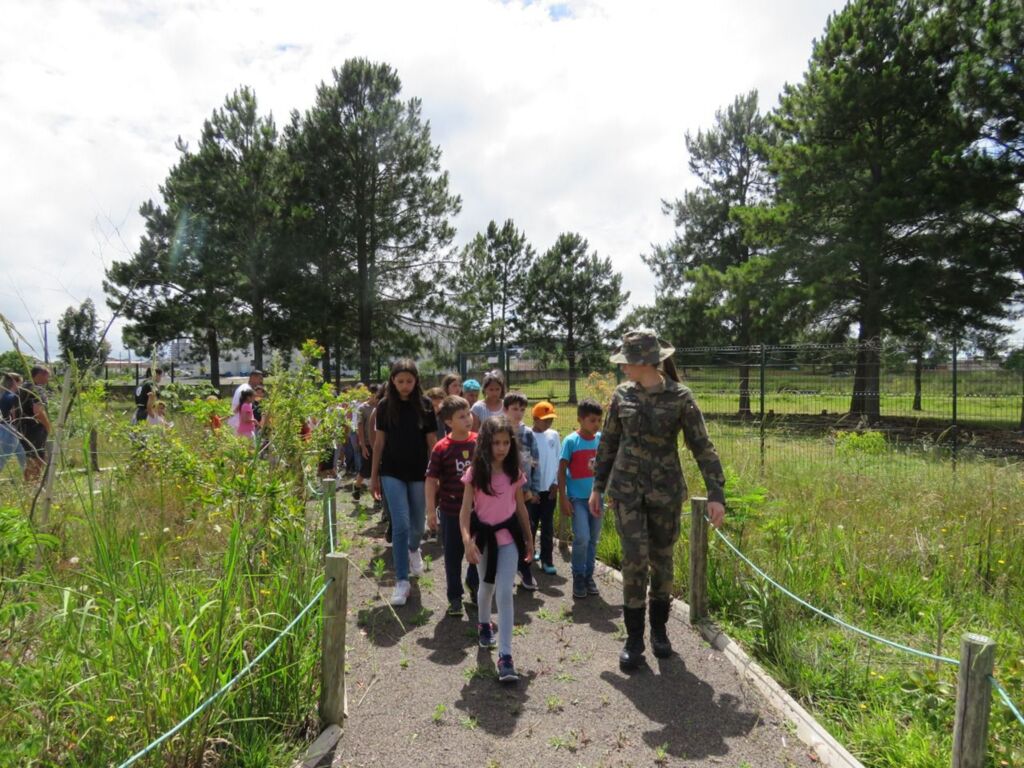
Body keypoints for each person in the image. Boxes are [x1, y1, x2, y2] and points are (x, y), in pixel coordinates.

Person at [592, 329, 726, 672]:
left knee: (662, 562)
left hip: (665, 493)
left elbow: (702, 446)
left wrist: (716, 494)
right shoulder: (621, 396)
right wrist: (597, 486)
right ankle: (634, 639)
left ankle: (660, 631)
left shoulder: (680, 397)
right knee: (634, 560)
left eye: (627, 361)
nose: (623, 368)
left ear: (644, 361)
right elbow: (607, 443)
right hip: (626, 492)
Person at [459, 415, 534, 682]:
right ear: (485, 443)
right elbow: (465, 512)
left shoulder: (514, 473)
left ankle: (505, 656)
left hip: (508, 540)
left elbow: (521, 508)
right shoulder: (476, 474)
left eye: (505, 443)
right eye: (496, 443)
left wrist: (529, 538)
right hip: (483, 540)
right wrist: (467, 541)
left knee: (504, 592)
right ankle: (483, 623)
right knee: (486, 586)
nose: (501, 448)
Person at [370, 359, 438, 606]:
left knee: (418, 524)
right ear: (392, 381)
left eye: (409, 381)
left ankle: (413, 548)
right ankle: (401, 580)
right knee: (400, 523)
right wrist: (374, 476)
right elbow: (379, 443)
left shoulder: (426, 405)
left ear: (416, 381)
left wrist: (436, 473)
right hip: (391, 471)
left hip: (420, 471)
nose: (405, 385)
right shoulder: (385, 406)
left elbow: (432, 442)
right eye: (400, 381)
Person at [425, 395, 478, 616]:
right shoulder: (441, 447)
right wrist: (430, 511)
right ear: (448, 422)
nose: (468, 419)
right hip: (450, 511)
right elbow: (430, 479)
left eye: (469, 414)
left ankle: (474, 585)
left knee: (478, 552)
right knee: (453, 556)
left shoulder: (480, 442)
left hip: (479, 511)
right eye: (461, 416)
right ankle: (454, 597)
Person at [558, 399, 604, 601]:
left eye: (599, 420)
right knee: (582, 537)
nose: (597, 424)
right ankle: (578, 575)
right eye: (592, 420)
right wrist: (563, 498)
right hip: (577, 499)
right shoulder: (570, 441)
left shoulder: (601, 439)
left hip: (597, 499)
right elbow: (561, 471)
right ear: (580, 419)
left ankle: (588, 576)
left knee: (593, 538)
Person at [503, 391, 540, 590]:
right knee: (506, 530)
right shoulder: (498, 431)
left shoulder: (528, 434)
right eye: (514, 409)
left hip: (524, 490)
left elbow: (535, 462)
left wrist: (533, 489)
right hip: (502, 492)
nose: (518, 413)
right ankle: (505, 571)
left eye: (522, 410)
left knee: (528, 529)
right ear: (505, 410)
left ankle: (525, 569)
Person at [529, 401, 561, 575]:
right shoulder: (528, 435)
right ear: (534, 418)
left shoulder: (554, 435)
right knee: (531, 524)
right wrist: (530, 490)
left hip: (549, 490)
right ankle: (529, 552)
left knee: (547, 526)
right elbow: (526, 464)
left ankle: (547, 559)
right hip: (533, 492)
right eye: (544, 419)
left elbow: (557, 459)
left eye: (550, 419)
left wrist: (555, 483)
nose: (548, 422)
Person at [17, 366, 51, 482]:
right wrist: (48, 426)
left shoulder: (21, 388)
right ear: (40, 375)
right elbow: (38, 411)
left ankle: (28, 484)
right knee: (38, 458)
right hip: (35, 429)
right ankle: (34, 485)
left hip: (21, 428)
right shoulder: (38, 389)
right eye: (47, 376)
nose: (48, 379)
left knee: (30, 458)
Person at [354, 384, 383, 501]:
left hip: (378, 442)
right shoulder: (362, 408)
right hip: (367, 443)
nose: (376, 397)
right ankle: (356, 486)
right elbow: (360, 427)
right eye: (374, 395)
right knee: (366, 470)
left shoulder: (381, 407)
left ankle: (377, 497)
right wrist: (362, 444)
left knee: (379, 471)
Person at [0, 372, 26, 474]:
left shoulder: (2, 395)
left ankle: (31, 482)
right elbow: (15, 416)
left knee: (25, 456)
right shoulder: (12, 397)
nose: (21, 386)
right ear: (15, 382)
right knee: (1, 461)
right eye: (20, 383)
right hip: (10, 430)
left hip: (3, 428)